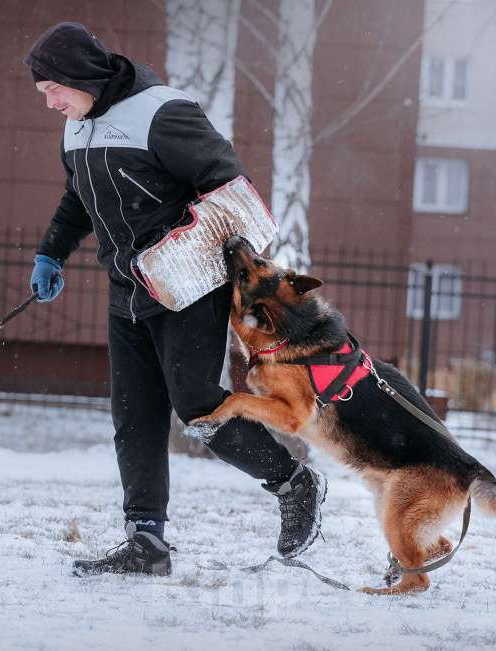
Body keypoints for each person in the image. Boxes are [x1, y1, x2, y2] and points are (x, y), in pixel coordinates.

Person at [23, 22, 326, 577]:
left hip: (187, 289)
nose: (51, 103)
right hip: (127, 294)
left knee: (198, 406)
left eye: (52, 90)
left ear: (78, 76)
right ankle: (146, 542)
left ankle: (295, 483)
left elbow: (232, 193)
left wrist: (179, 252)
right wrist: (51, 253)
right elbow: (77, 199)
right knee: (133, 416)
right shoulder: (75, 128)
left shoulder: (162, 113)